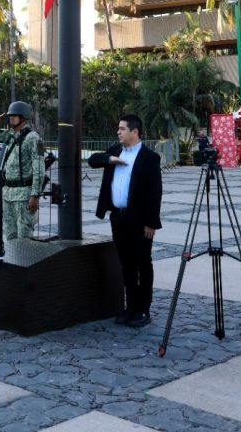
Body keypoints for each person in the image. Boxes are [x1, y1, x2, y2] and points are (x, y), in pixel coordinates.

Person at [87, 112, 162, 328]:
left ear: (134, 131)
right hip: (118, 218)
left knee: (142, 264)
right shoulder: (114, 151)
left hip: (139, 221)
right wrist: (110, 159)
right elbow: (92, 160)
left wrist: (151, 222)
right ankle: (130, 307)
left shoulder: (149, 158)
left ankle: (143, 309)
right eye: (118, 128)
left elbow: (155, 193)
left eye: (122, 129)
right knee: (126, 264)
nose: (118, 132)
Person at [0, 100, 45, 241]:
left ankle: (24, 263)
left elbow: (39, 167)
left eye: (14, 115)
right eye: (10, 115)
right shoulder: (9, 135)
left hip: (24, 194)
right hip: (8, 193)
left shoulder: (33, 138)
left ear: (23, 117)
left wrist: (35, 195)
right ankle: (12, 261)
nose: (11, 118)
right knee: (10, 236)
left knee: (24, 237)